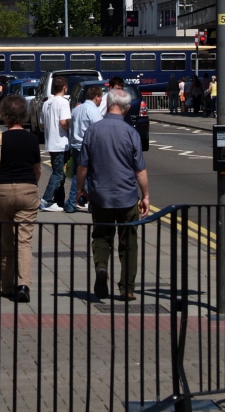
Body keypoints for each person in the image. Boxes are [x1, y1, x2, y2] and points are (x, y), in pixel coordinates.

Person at [76, 89, 149, 302]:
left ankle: (101, 267)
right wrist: (145, 195)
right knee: (129, 242)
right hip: (127, 196)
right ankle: (127, 289)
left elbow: (82, 165)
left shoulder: (93, 131)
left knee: (101, 237)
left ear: (107, 104)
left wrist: (81, 189)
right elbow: (140, 170)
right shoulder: (131, 133)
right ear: (126, 108)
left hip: (100, 196)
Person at [0, 94, 41, 303]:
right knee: (24, 241)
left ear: (6, 115)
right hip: (27, 190)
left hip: (1, 193)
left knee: (6, 240)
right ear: (24, 115)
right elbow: (37, 169)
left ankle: (7, 287)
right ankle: (23, 285)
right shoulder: (32, 139)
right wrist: (33, 185)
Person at [65, 84, 103, 213]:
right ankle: (91, 205)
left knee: (78, 175)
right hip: (88, 147)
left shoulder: (76, 109)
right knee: (92, 175)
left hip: (76, 146)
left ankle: (71, 203)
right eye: (101, 98)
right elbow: (99, 131)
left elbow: (71, 129)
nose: (101, 100)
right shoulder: (93, 111)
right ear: (96, 97)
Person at [39, 76, 71, 212]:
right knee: (58, 174)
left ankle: (59, 200)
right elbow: (64, 122)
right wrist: (71, 130)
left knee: (60, 173)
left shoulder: (47, 103)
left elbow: (41, 124)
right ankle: (46, 200)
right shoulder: (63, 102)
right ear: (64, 88)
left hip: (51, 142)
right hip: (61, 142)